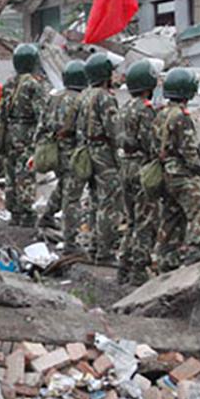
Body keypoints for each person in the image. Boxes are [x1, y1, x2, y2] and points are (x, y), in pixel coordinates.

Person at [152, 68, 200, 271]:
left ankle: (165, 259)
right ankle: (196, 248)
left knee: (171, 216)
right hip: (180, 172)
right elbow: (189, 151)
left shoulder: (160, 114)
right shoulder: (182, 117)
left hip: (164, 172)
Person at [76, 52, 124, 260]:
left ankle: (94, 246)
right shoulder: (105, 98)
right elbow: (115, 130)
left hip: (88, 149)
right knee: (109, 201)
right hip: (104, 152)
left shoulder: (84, 95)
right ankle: (105, 250)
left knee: (95, 199)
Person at [36, 61, 88, 251]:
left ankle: (46, 217)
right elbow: (82, 131)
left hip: (54, 150)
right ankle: (70, 242)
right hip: (72, 152)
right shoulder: (81, 101)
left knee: (63, 185)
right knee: (72, 198)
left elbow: (42, 125)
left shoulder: (54, 97)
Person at [0, 43, 49, 227]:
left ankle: (14, 212)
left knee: (10, 171)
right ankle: (27, 213)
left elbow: (1, 111)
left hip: (10, 132)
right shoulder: (33, 84)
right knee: (25, 172)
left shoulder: (10, 83)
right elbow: (42, 113)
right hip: (27, 133)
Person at [116, 60, 160, 285]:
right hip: (142, 167)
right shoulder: (146, 110)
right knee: (145, 222)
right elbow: (151, 142)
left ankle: (122, 267)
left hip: (125, 166)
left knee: (131, 220)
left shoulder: (124, 107)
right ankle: (138, 272)